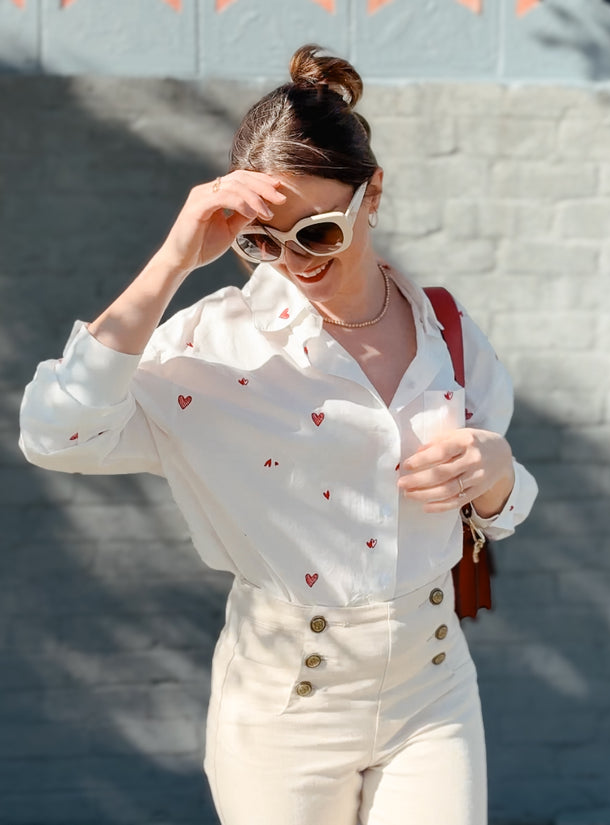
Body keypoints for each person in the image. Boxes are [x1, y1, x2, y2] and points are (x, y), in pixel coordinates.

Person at [19, 44, 537, 825]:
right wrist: (174, 259)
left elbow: (500, 504)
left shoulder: (445, 327)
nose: (292, 259)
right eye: (261, 241)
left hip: (433, 687)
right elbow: (55, 433)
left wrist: (497, 471)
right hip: (285, 705)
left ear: (374, 194)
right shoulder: (215, 346)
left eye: (318, 233)